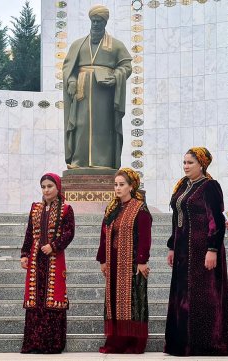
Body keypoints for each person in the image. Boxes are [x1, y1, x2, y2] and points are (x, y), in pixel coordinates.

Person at [165, 147, 228, 356]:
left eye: (190, 163)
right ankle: (181, 343)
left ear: (202, 164)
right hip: (182, 251)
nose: (186, 166)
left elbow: (216, 220)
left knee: (205, 296)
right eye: (184, 162)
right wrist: (171, 246)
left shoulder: (210, 187)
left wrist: (212, 248)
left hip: (202, 249)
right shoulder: (183, 186)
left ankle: (208, 343)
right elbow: (176, 219)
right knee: (182, 296)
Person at [63, 4, 132, 169]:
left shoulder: (116, 45)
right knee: (80, 125)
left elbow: (126, 66)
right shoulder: (78, 44)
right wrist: (71, 81)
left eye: (99, 21)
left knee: (104, 127)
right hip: (81, 93)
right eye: (93, 21)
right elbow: (68, 67)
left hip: (105, 93)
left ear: (105, 23)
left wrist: (116, 77)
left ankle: (104, 162)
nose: (95, 24)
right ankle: (79, 162)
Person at [96, 168, 152, 353]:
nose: (118, 188)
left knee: (133, 302)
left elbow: (145, 237)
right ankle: (116, 342)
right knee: (114, 302)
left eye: (122, 185)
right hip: (113, 263)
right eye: (116, 185)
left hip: (132, 264)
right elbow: (103, 236)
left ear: (131, 186)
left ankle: (133, 343)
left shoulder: (140, 208)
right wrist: (102, 260)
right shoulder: (112, 208)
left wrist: (142, 261)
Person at [20, 173, 75, 353]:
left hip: (54, 258)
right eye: (43, 186)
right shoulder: (35, 208)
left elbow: (69, 233)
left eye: (50, 186)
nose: (46, 190)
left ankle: (52, 344)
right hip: (36, 259)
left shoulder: (66, 209)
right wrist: (24, 253)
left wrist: (53, 246)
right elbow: (30, 232)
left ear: (57, 188)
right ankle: (34, 343)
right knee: (35, 298)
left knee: (53, 297)